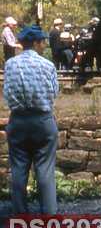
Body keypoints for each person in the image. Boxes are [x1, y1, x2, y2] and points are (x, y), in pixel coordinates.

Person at [2, 25, 59, 214]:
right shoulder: (47, 65)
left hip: (18, 120)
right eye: (42, 41)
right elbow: (54, 93)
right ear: (35, 43)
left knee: (18, 169)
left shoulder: (10, 64)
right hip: (42, 120)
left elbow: (7, 92)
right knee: (45, 170)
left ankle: (21, 217)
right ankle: (49, 216)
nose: (44, 45)